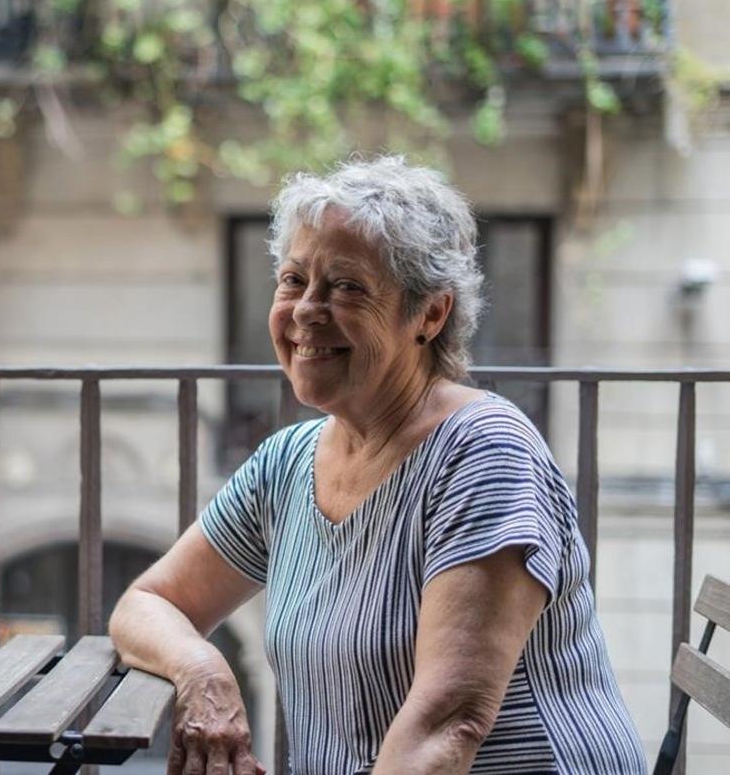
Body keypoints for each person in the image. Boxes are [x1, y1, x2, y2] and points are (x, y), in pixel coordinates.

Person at [108, 156, 647, 774]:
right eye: (293, 280)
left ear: (430, 315)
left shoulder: (484, 452)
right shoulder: (288, 462)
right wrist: (202, 671)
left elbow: (447, 725)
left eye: (347, 287)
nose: (307, 310)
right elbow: (146, 604)